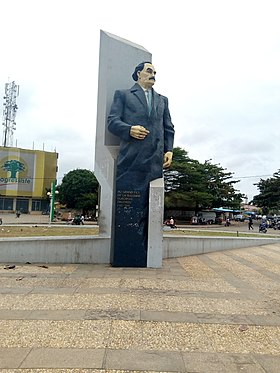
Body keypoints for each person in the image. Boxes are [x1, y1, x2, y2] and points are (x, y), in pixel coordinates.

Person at [108, 61, 175, 266]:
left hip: (154, 163)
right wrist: (128, 129)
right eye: (149, 71)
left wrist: (169, 150)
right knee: (130, 209)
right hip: (130, 161)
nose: (153, 74)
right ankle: (129, 253)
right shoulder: (124, 95)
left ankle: (147, 253)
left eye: (155, 72)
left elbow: (168, 128)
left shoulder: (162, 100)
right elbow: (112, 121)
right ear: (138, 74)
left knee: (150, 209)